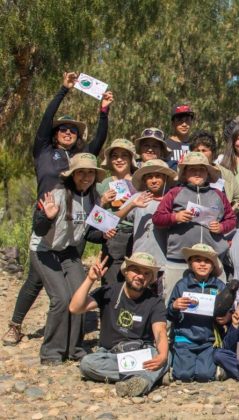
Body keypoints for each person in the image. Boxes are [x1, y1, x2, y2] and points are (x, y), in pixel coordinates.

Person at [5, 72, 113, 347]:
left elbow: (97, 143)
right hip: (47, 220)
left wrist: (104, 113)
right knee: (34, 280)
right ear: (54, 134)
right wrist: (63, 90)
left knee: (69, 280)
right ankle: (15, 326)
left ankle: (68, 333)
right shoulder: (44, 151)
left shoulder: (78, 159)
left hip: (73, 225)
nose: (68, 132)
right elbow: (45, 122)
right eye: (63, 129)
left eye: (73, 130)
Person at [32, 153, 110, 364]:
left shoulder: (93, 199)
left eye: (90, 172)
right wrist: (46, 217)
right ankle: (51, 352)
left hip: (69, 252)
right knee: (61, 298)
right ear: (72, 174)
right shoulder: (56, 194)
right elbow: (38, 231)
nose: (86, 177)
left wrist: (103, 234)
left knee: (79, 296)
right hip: (44, 250)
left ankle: (74, 347)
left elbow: (89, 233)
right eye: (81, 172)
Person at [69, 253, 168, 397]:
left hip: (140, 353)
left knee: (163, 355)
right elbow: (75, 308)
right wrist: (90, 279)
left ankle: (143, 380)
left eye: (147, 273)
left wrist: (163, 355)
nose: (141, 276)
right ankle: (148, 377)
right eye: (136, 271)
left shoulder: (155, 301)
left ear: (151, 279)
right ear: (126, 271)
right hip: (110, 355)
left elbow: (160, 332)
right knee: (87, 363)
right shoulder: (109, 292)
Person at [152, 152, 237, 300]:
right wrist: (175, 217)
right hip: (179, 260)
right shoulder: (174, 193)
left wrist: (222, 227)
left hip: (211, 262)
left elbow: (232, 219)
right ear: (184, 173)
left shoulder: (218, 195)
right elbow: (157, 218)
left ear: (208, 173)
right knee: (173, 301)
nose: (197, 173)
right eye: (192, 169)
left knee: (214, 304)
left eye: (202, 169)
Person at [166, 244, 228, 382]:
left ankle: (216, 367)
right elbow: (170, 315)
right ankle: (174, 363)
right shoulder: (181, 285)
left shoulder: (219, 286)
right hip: (185, 339)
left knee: (204, 375)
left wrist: (225, 318)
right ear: (190, 264)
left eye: (207, 261)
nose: (202, 264)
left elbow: (227, 312)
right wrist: (174, 307)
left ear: (213, 266)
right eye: (198, 260)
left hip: (208, 341)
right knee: (183, 375)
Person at [116, 160, 176, 284]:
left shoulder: (173, 200)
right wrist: (132, 205)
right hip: (139, 261)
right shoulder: (137, 197)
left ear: (165, 178)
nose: (154, 180)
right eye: (149, 177)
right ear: (144, 180)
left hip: (164, 262)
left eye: (158, 176)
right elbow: (114, 219)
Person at [97, 139, 139, 284]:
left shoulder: (140, 182)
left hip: (137, 237)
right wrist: (102, 202)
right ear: (109, 160)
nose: (119, 160)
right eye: (115, 156)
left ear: (131, 159)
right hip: (113, 238)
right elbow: (96, 219)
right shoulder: (102, 185)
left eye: (124, 156)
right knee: (111, 285)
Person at [189, 131, 239, 216]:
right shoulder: (186, 173)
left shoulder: (226, 174)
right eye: (197, 151)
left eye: (204, 150)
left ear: (213, 152)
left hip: (221, 223)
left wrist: (231, 210)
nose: (200, 154)